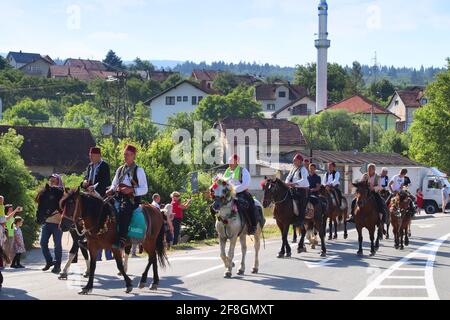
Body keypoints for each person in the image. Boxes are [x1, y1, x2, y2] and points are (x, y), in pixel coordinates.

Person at [107, 144, 148, 249]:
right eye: (125, 154)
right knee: (103, 206)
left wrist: (131, 189)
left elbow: (145, 189)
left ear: (134, 156)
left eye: (129, 155)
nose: (126, 157)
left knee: (123, 210)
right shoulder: (120, 169)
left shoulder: (139, 170)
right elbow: (114, 183)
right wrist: (111, 190)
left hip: (132, 199)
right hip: (118, 196)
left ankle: (122, 239)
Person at [223, 154, 257, 235]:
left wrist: (233, 190)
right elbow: (222, 183)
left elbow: (245, 184)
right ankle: (221, 227)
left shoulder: (243, 171)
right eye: (229, 161)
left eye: (231, 161)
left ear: (236, 162)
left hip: (241, 193)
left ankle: (252, 226)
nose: (229, 163)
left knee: (250, 205)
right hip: (228, 194)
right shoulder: (227, 171)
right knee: (215, 206)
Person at [40, 175, 64, 274]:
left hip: (58, 223)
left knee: (57, 245)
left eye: (54, 181)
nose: (52, 183)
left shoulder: (62, 193)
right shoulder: (46, 192)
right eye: (50, 181)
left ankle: (58, 265)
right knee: (43, 243)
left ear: (58, 182)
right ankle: (49, 261)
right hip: (47, 222)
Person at [285, 154, 309, 225]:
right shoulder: (293, 169)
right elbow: (288, 177)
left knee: (301, 203)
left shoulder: (303, 169)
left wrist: (294, 183)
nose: (294, 162)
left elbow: (304, 180)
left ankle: (301, 220)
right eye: (294, 160)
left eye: (295, 160)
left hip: (302, 190)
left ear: (300, 161)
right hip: (293, 188)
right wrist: (287, 183)